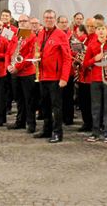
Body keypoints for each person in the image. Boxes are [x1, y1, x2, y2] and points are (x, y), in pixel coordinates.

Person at [33, 9, 72, 143]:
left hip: (55, 78)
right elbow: (38, 50)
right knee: (45, 106)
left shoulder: (60, 35)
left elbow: (67, 58)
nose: (49, 19)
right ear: (43, 19)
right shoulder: (41, 33)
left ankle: (57, 132)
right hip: (43, 76)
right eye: (46, 17)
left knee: (56, 107)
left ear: (54, 19)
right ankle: (47, 129)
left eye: (51, 17)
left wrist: (64, 78)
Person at [6, 14, 38, 132]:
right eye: (20, 22)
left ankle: (31, 124)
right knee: (19, 99)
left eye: (24, 21)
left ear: (29, 22)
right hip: (15, 72)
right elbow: (8, 52)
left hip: (27, 72)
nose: (22, 23)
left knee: (29, 99)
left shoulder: (32, 36)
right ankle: (20, 121)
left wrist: (18, 67)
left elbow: (30, 55)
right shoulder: (16, 35)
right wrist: (8, 65)